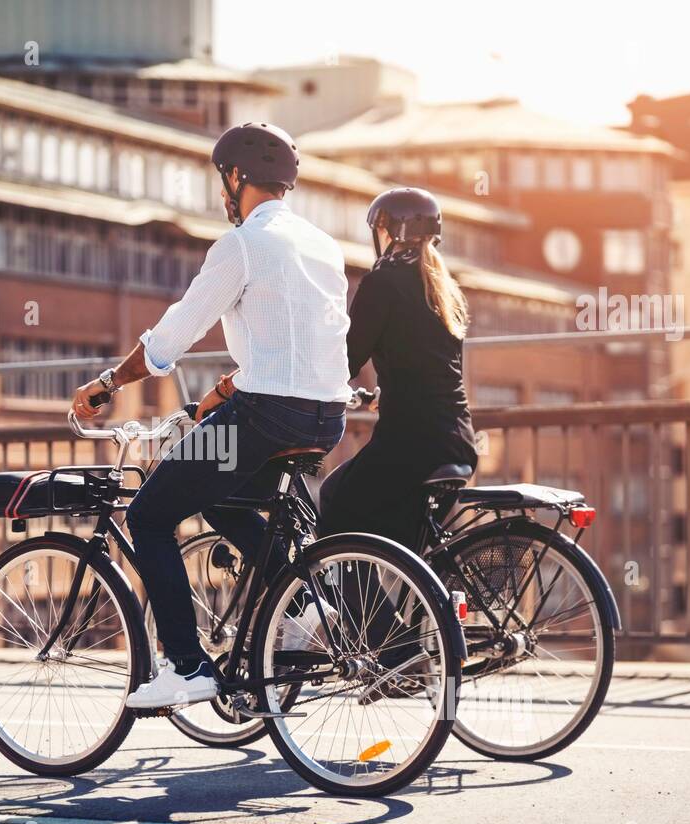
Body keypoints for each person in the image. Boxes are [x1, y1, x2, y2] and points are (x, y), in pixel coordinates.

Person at [70, 122, 351, 710]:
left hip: (264, 417)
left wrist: (107, 383)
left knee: (149, 515)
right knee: (225, 499)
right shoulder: (323, 244)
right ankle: (306, 605)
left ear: (236, 178)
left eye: (222, 179)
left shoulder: (243, 244)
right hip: (326, 416)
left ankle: (187, 665)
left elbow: (174, 335)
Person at [318, 187, 477, 554]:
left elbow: (344, 360)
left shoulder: (381, 283)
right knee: (404, 551)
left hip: (411, 444)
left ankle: (371, 615)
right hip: (458, 443)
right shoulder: (445, 291)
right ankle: (422, 611)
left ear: (388, 233)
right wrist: (383, 397)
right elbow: (434, 372)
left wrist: (309, 385)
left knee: (335, 502)